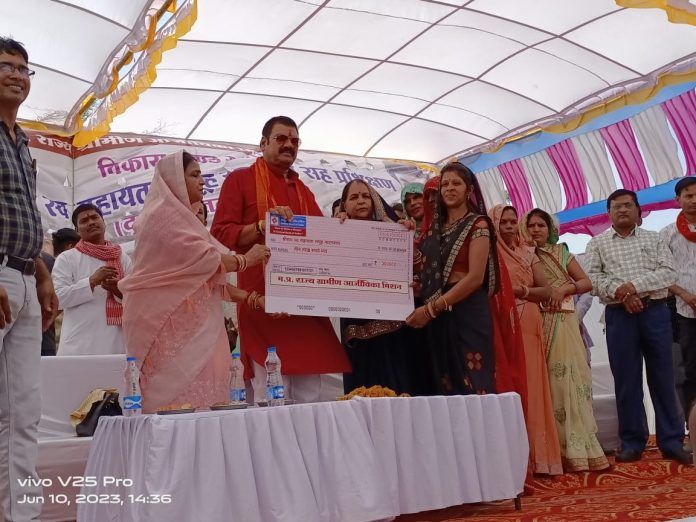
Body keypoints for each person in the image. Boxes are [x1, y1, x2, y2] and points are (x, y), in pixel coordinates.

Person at [211, 116, 350, 403]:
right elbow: (221, 232)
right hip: (264, 305)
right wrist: (261, 226)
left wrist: (340, 228)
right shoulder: (240, 179)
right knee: (271, 399)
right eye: (281, 139)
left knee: (310, 398)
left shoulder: (303, 191)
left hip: (305, 311)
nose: (289, 145)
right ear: (263, 143)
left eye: (295, 141)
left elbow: (322, 242)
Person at [119, 151, 269, 412]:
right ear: (176, 179)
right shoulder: (161, 216)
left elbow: (209, 277)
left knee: (210, 395)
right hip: (168, 321)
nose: (202, 181)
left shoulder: (186, 220)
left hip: (199, 322)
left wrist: (253, 299)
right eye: (194, 175)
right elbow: (206, 260)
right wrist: (246, 260)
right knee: (174, 404)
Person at [586, 189, 690, 464]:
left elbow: (669, 273)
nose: (622, 210)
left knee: (663, 377)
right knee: (626, 380)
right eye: (616, 207)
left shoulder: (654, 239)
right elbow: (593, 280)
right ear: (608, 213)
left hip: (655, 313)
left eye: (628, 205)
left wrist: (633, 287)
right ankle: (632, 441)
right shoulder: (597, 243)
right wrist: (623, 295)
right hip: (619, 316)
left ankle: (672, 441)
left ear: (638, 210)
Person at [0, 36, 59, 521]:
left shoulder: (21, 141)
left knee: (24, 409)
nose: (17, 75)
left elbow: (25, 217)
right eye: (6, 66)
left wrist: (42, 273)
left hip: (22, 274)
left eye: (24, 69)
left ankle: (22, 514)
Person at [522, 208, 610, 472]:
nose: (536, 230)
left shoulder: (561, 253)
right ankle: (551, 450)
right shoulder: (522, 254)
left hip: (563, 321)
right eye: (531, 225)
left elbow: (586, 282)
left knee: (569, 380)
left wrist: (563, 289)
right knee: (546, 383)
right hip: (536, 320)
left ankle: (578, 448)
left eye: (541, 225)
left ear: (550, 229)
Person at [406, 163, 498, 395]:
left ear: (469, 190)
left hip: (467, 311)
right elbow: (429, 274)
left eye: (456, 183)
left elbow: (475, 277)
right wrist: (420, 288)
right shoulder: (434, 231)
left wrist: (431, 309)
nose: (449, 188)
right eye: (445, 184)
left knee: (472, 384)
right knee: (444, 384)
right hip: (438, 317)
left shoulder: (478, 224)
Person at [488, 204, 562, 475]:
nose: (509, 226)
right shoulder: (489, 253)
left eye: (512, 221)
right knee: (508, 382)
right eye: (503, 222)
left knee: (532, 383)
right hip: (500, 320)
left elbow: (546, 290)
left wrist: (521, 290)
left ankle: (539, 457)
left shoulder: (527, 253)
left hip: (528, 319)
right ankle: (516, 459)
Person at [338, 179, 430, 395]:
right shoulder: (337, 231)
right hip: (356, 326)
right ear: (344, 205)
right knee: (362, 392)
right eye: (354, 197)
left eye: (365, 196)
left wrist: (406, 239)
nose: (361, 201)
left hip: (394, 330)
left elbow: (418, 268)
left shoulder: (392, 231)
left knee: (397, 386)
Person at [52, 204, 131, 355]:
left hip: (116, 341)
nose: (91, 222)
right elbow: (58, 298)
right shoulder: (67, 258)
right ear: (77, 230)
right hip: (80, 345)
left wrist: (119, 290)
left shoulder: (122, 258)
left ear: (103, 222)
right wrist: (91, 281)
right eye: (84, 221)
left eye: (95, 217)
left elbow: (136, 297)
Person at [660, 177, 696, 434]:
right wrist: (685, 295)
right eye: (688, 196)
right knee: (689, 372)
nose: (694, 200)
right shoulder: (667, 234)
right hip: (683, 311)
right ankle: (693, 430)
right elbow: (663, 272)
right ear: (678, 200)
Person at [39, 228, 80, 355]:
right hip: (45, 336)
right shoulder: (54, 264)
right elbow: (57, 302)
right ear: (70, 246)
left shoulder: (39, 259)